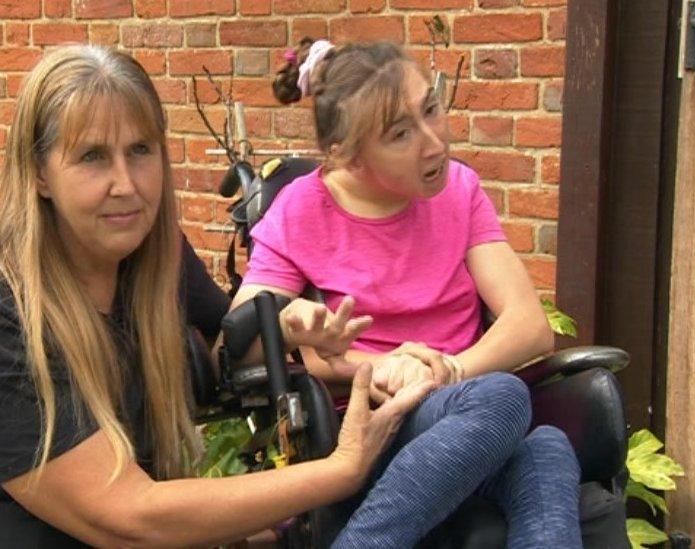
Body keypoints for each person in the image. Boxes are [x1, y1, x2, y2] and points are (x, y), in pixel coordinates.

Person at [0, 45, 435, 548]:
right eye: (93, 157)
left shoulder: (152, 258)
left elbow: (230, 340)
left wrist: (286, 324)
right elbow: (126, 516)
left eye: (140, 151)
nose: (126, 184)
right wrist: (342, 469)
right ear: (39, 173)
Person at [226, 38, 583, 547]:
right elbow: (237, 342)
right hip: (367, 431)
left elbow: (529, 326)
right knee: (504, 398)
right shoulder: (301, 211)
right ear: (344, 155)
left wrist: (447, 370)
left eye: (431, 110)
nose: (434, 143)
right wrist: (298, 328)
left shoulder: (459, 191)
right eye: (400, 134)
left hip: (461, 417)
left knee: (545, 446)